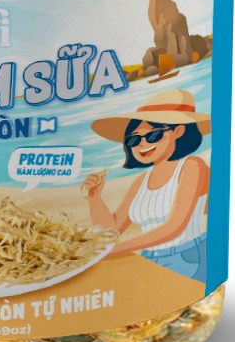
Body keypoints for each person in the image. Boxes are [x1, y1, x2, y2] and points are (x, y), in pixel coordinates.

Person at [82, 89, 210, 282]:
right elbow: (112, 230)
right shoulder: (141, 180)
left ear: (178, 131)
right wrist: (94, 198)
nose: (142, 144)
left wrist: (117, 249)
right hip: (150, 257)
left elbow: (175, 227)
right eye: (134, 139)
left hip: (188, 256)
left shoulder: (191, 166)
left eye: (152, 136)